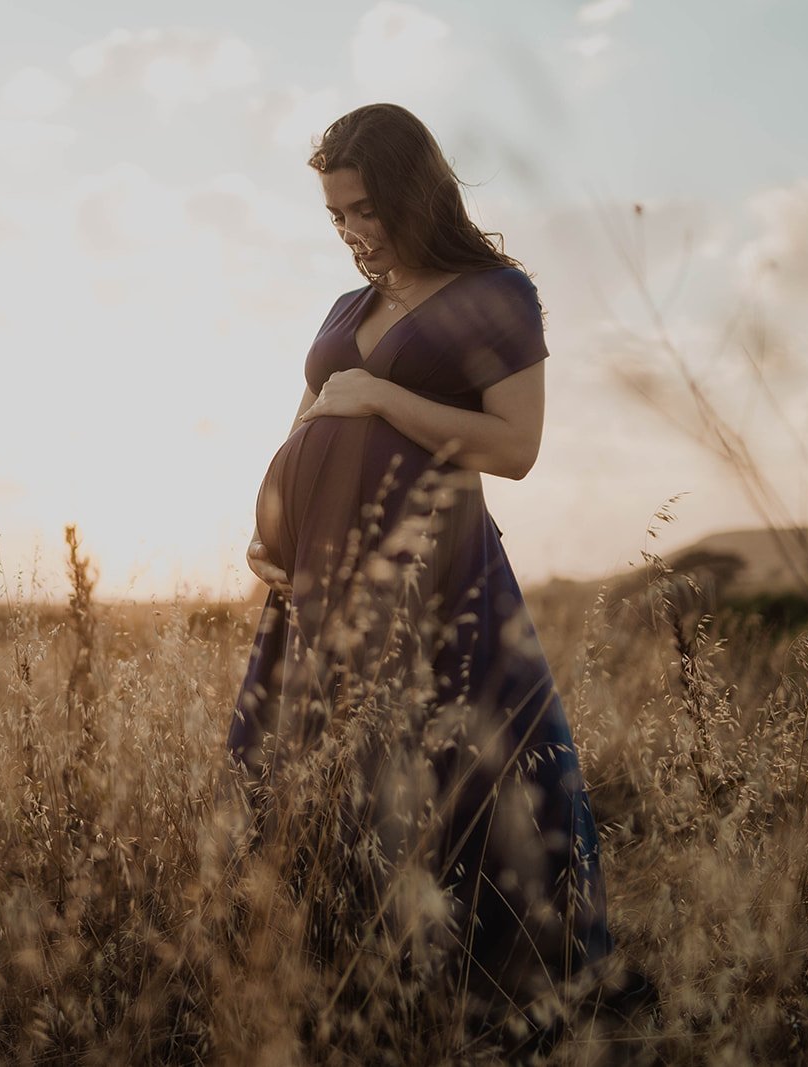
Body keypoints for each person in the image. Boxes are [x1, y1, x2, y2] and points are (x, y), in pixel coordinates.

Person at [222, 103, 653, 1040]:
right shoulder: (348, 310)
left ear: (414, 193)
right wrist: (268, 530)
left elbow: (517, 445)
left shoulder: (496, 293)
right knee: (316, 766)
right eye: (336, 216)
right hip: (318, 581)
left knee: (458, 768)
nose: (350, 233)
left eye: (364, 210)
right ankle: (347, 976)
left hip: (435, 575)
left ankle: (506, 988)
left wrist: (382, 392)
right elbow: (307, 426)